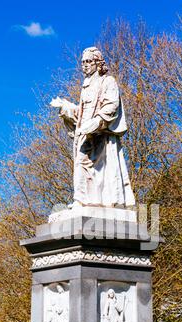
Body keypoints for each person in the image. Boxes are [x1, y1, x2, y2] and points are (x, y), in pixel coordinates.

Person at [50, 47, 135, 208]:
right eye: (83, 62)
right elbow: (81, 114)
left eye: (88, 61)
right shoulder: (86, 86)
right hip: (85, 132)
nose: (85, 65)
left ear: (97, 63)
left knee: (96, 168)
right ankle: (82, 200)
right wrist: (65, 107)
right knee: (81, 164)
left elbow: (111, 105)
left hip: (101, 133)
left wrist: (97, 122)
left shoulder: (107, 81)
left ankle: (84, 201)